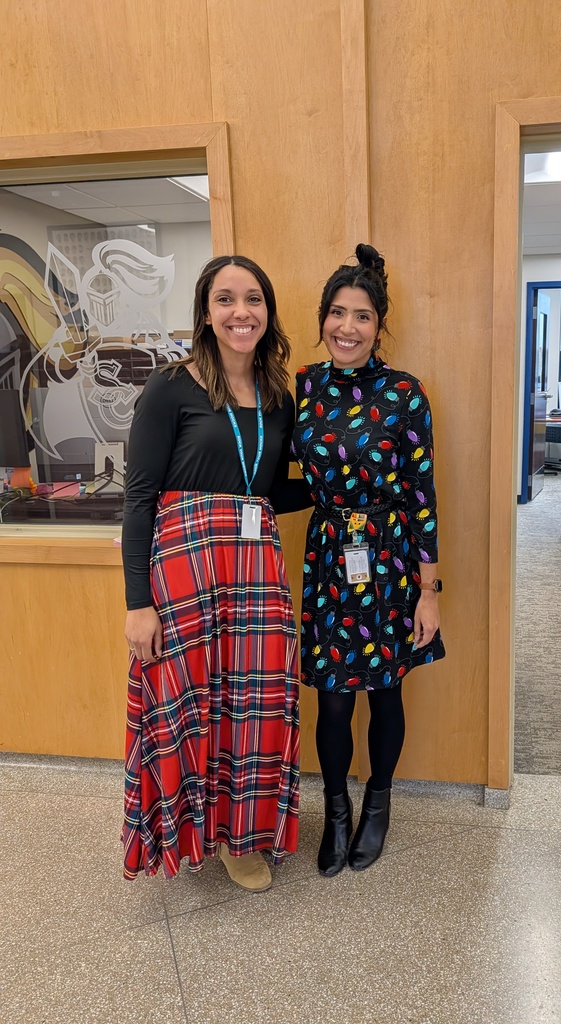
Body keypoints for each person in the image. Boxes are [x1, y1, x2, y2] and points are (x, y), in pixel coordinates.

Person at [122, 254, 309, 891]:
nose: (240, 312)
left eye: (253, 299)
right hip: (184, 567)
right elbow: (139, 496)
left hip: (255, 568)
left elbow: (263, 490)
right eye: (226, 299)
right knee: (187, 702)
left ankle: (242, 836)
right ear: (206, 310)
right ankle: (186, 831)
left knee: (255, 704)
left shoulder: (279, 394)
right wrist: (136, 600)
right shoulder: (172, 386)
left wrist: (341, 490)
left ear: (268, 311)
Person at [292, 243, 445, 876]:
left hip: (388, 560)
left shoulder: (405, 394)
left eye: (361, 316)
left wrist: (429, 590)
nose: (346, 327)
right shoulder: (299, 387)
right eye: (337, 313)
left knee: (384, 692)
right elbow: (280, 471)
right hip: (329, 557)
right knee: (331, 699)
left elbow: (422, 494)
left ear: (379, 325)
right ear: (323, 319)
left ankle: (377, 803)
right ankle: (334, 810)